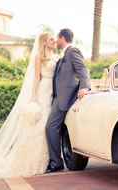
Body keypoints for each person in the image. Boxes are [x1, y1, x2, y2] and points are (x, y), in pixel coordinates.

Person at [0, 32, 58, 179]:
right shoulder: (38, 57)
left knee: (48, 124)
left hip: (53, 92)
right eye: (51, 39)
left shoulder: (55, 56)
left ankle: (49, 159)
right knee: (40, 125)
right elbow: (36, 78)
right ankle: (35, 161)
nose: (54, 41)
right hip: (43, 92)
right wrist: (34, 98)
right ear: (44, 42)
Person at [45, 28, 91, 173]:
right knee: (52, 128)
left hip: (66, 98)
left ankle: (56, 163)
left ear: (62, 37)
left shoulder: (72, 51)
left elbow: (83, 70)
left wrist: (85, 87)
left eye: (56, 38)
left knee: (50, 127)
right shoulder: (62, 56)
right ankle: (56, 161)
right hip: (59, 98)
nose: (55, 41)